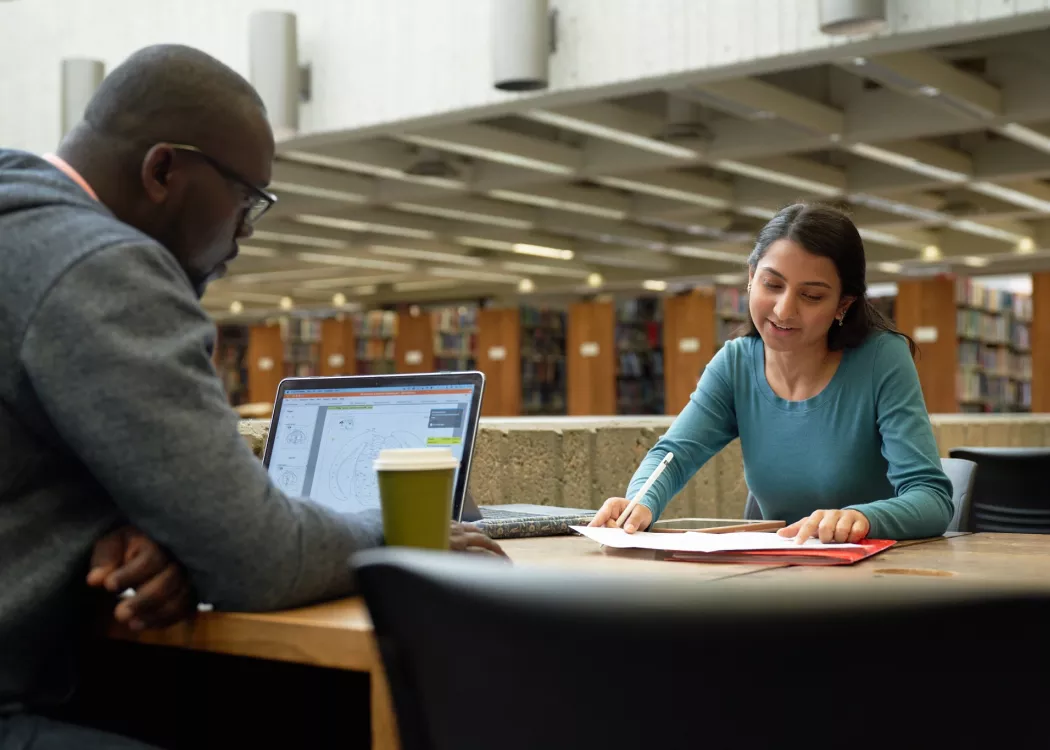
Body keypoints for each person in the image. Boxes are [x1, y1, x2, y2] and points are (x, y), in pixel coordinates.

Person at [0, 44, 503, 748]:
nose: (244, 234)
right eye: (246, 200)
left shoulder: (16, 216)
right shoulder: (99, 266)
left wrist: (171, 534)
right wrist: (410, 538)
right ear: (164, 169)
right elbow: (257, 559)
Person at [591, 203, 954, 544]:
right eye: (772, 285)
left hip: (878, 580)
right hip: (778, 576)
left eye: (811, 296)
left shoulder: (881, 359)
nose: (784, 310)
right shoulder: (735, 364)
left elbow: (931, 498)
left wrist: (863, 518)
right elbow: (673, 454)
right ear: (751, 277)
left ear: (843, 304)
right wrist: (639, 502)